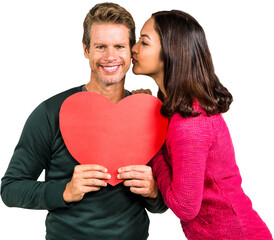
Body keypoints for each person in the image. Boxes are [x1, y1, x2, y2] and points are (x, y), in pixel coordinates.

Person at [0, 3, 167, 240]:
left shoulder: (148, 114)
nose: (110, 57)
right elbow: (10, 189)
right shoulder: (51, 112)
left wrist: (153, 191)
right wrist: (66, 191)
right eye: (100, 47)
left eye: (119, 46)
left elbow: (161, 205)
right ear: (86, 49)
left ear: (132, 51)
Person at [131, 10, 273, 240]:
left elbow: (185, 207)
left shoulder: (190, 124)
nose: (134, 48)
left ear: (170, 53)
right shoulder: (180, 109)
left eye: (144, 42)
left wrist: (153, 148)